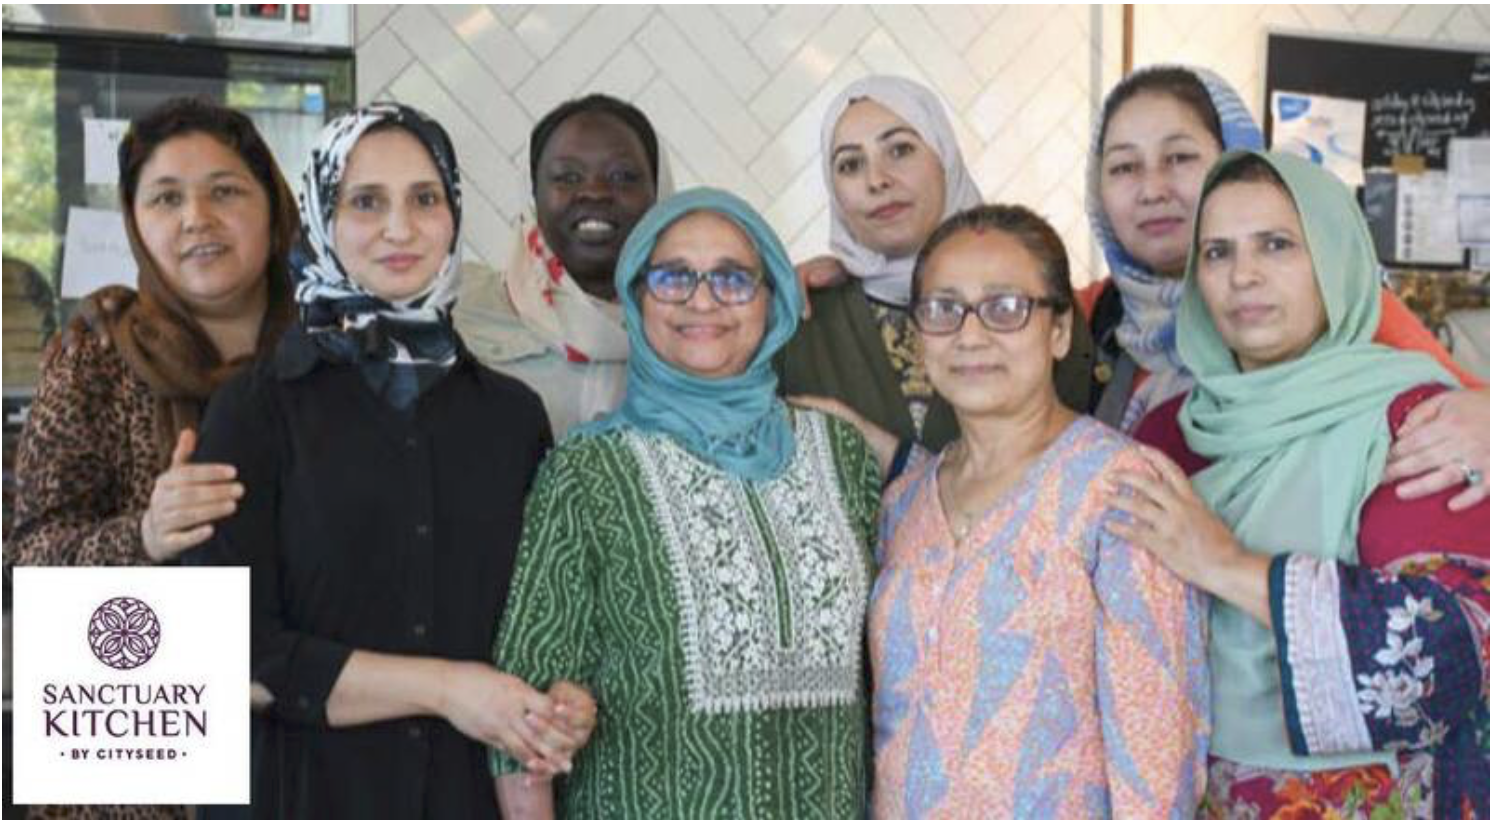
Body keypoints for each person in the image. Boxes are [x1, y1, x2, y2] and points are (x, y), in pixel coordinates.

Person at [182, 103, 592, 818]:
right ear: (322, 218)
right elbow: (229, 655)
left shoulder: (512, 418)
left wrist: (565, 701)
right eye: (366, 201)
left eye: (424, 199)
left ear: (454, 214)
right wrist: (447, 689)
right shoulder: (254, 410)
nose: (400, 229)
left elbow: (541, 624)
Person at [1111, 150, 1488, 819]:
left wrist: (1226, 564)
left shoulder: (1422, 422)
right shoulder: (1167, 432)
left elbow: (1448, 651)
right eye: (1217, 253)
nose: (1243, 276)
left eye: (1277, 245)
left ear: (1336, 258)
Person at [490, 188, 881, 819]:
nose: (702, 300)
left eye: (733, 278)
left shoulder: (840, 454)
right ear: (638, 298)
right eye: (673, 277)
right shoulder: (586, 474)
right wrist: (560, 712)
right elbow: (522, 722)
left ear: (774, 298)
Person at [7, 99, 300, 820]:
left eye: (225, 190)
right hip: (136, 766)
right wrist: (144, 536)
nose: (197, 217)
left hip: (307, 751)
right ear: (136, 223)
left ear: (273, 208)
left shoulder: (327, 358)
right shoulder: (96, 358)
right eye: (166, 198)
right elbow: (29, 564)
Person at [870, 204, 1207, 817]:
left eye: (1005, 307)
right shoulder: (905, 503)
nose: (971, 335)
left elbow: (1156, 762)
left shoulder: (1120, 489)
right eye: (943, 309)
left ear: (1058, 330)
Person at [1086, 64, 1487, 509]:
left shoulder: (1339, 305)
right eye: (1123, 167)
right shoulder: (1085, 315)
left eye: (1179, 158)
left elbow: (1468, 412)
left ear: (1236, 163)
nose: (1151, 190)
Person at [780, 75, 1097, 455]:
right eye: (850, 164)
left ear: (944, 157)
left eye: (900, 150)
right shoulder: (797, 321)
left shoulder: (1033, 301)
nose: (876, 180)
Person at [453, 94, 660, 436]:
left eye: (623, 176)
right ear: (533, 194)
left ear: (658, 194)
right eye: (568, 176)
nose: (595, 192)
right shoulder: (458, 309)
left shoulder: (699, 330)